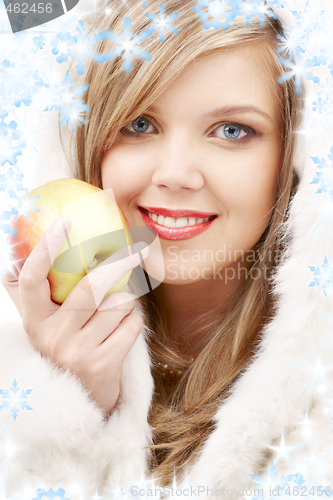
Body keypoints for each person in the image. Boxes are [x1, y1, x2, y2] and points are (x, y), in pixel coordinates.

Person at [1, 0, 333, 498]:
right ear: (88, 141)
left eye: (232, 130)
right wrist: (69, 413)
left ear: (295, 160)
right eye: (139, 124)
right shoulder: (17, 370)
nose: (175, 174)